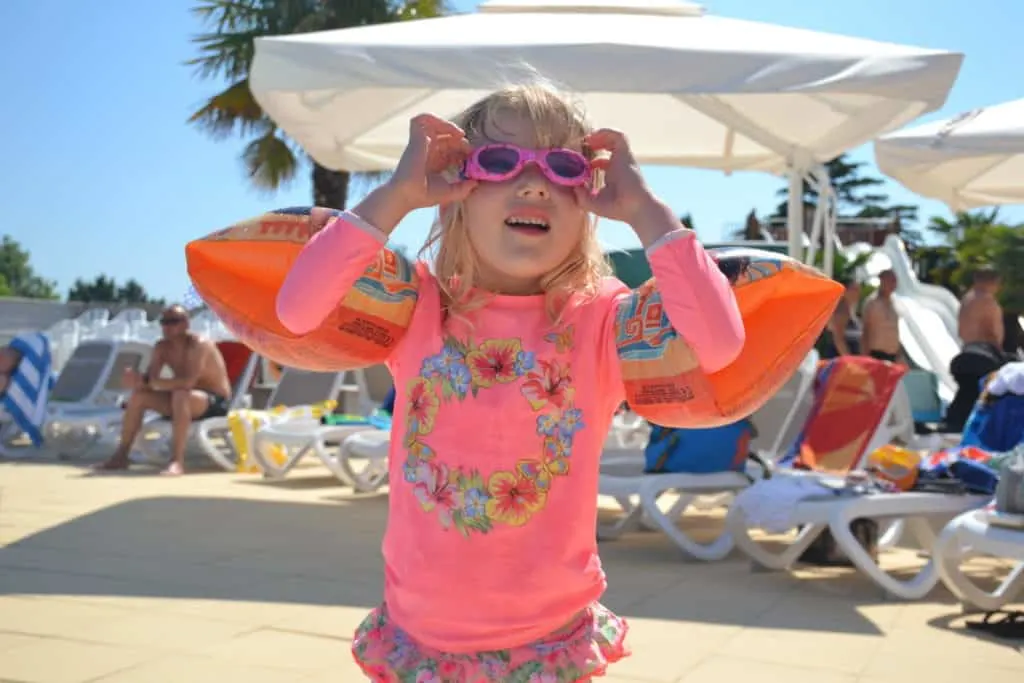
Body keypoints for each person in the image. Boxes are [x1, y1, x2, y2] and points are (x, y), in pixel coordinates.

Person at [265, 84, 745, 681]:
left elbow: (721, 345)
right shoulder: (417, 306)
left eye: (563, 167)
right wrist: (396, 196)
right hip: (421, 634)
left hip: (548, 639)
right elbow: (297, 310)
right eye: (500, 162)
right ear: (456, 192)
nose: (535, 184)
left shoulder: (601, 319)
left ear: (588, 203)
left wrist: (646, 210)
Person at [94, 305, 233, 476]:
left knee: (180, 394)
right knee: (139, 397)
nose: (167, 327)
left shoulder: (198, 345)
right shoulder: (162, 347)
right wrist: (137, 381)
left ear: (185, 324)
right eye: (164, 322)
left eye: (173, 322)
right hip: (181, 398)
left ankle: (177, 461)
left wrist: (150, 382)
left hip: (214, 402)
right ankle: (121, 455)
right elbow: (151, 380)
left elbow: (187, 382)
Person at [945, 266, 1010, 431]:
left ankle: (953, 422)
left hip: (966, 351)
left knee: (965, 394)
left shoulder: (967, 300)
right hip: (983, 355)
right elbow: (993, 331)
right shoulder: (988, 301)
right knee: (985, 394)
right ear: (993, 282)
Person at [861, 269, 903, 363]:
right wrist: (865, 357)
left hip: (893, 355)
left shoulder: (895, 303)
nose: (893, 284)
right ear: (882, 281)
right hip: (876, 354)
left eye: (894, 281)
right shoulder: (872, 303)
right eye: (890, 280)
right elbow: (866, 330)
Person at [820, 277, 862, 358]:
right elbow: (838, 339)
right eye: (854, 289)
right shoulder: (841, 311)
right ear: (844, 291)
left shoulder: (849, 309)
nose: (858, 293)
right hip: (839, 357)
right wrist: (850, 361)